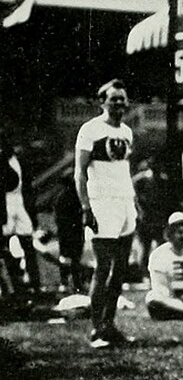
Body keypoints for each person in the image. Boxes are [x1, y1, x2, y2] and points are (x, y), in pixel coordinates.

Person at [75, 79, 138, 348]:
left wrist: (134, 202)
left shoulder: (126, 131)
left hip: (125, 202)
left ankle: (109, 325)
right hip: (103, 204)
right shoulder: (90, 130)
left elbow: (123, 170)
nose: (119, 103)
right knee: (103, 268)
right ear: (102, 102)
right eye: (114, 99)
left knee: (121, 268)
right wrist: (86, 206)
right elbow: (80, 172)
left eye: (122, 99)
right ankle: (96, 330)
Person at [3, 140, 39, 296]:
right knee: (6, 245)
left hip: (19, 203)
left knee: (27, 243)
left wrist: (31, 212)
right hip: (5, 203)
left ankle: (33, 282)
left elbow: (25, 186)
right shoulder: (3, 162)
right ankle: (14, 286)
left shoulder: (18, 162)